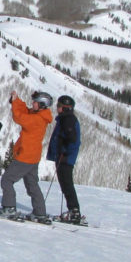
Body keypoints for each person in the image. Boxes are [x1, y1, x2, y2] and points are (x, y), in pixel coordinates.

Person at [0, 90, 54, 223]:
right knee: (32, 184)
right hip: (33, 156)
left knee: (7, 180)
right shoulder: (40, 115)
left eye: (35, 102)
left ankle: (9, 208)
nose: (32, 104)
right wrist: (16, 100)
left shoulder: (37, 119)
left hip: (25, 156)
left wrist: (15, 103)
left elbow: (19, 117)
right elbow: (26, 111)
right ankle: (39, 212)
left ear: (42, 105)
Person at [47, 95, 86, 225]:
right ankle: (73, 211)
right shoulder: (65, 118)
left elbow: (72, 139)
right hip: (63, 157)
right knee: (65, 184)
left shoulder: (68, 119)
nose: (57, 108)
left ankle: (74, 211)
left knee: (67, 184)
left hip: (65, 158)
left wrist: (64, 152)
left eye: (59, 106)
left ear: (66, 108)